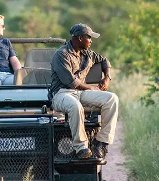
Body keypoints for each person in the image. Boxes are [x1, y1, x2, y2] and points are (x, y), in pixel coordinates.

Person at [50, 23, 118, 160]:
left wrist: (107, 78)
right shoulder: (61, 54)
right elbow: (71, 82)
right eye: (89, 37)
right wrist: (92, 88)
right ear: (80, 38)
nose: (91, 40)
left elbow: (104, 60)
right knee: (75, 106)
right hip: (62, 93)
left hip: (80, 93)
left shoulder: (87, 54)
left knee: (112, 99)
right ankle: (81, 148)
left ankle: (101, 143)